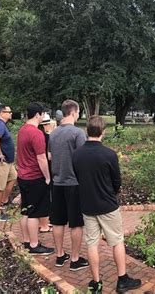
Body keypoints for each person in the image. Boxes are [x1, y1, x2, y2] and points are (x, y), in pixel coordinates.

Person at [72, 116, 142, 293]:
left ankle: (96, 283)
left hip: (87, 205)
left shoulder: (77, 154)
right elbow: (116, 181)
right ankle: (122, 279)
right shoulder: (109, 154)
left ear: (87, 131)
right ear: (103, 132)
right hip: (107, 205)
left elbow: (78, 176)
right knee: (117, 241)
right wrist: (112, 191)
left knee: (92, 243)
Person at [49, 100, 89, 271]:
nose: (79, 115)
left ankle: (59, 256)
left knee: (57, 222)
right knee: (76, 223)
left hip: (56, 182)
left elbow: (50, 156)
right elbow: (83, 158)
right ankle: (74, 259)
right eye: (78, 112)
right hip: (73, 183)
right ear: (73, 113)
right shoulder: (78, 133)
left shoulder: (53, 134)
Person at [17, 102, 54, 255]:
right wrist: (47, 177)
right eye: (43, 114)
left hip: (23, 177)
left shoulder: (22, 130)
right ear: (38, 114)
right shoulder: (36, 133)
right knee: (34, 213)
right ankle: (34, 245)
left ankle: (26, 241)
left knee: (25, 211)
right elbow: (42, 159)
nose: (44, 117)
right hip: (34, 177)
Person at [38, 113, 54, 233]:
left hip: (34, 171)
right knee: (46, 196)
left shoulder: (34, 134)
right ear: (46, 125)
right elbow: (48, 156)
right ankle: (45, 223)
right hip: (46, 170)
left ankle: (41, 221)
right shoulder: (47, 137)